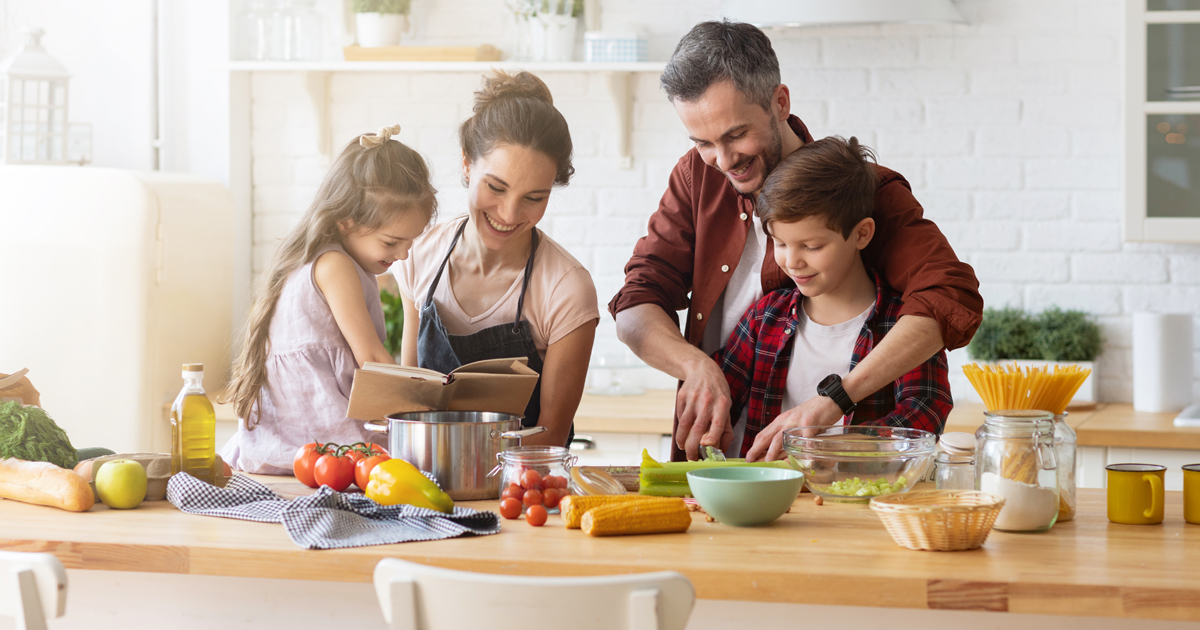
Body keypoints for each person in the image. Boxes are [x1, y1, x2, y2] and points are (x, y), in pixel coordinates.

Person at [609, 20, 982, 461]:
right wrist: (695, 366)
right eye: (703, 142)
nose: (723, 161)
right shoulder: (697, 176)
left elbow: (948, 296)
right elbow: (635, 304)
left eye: (735, 135)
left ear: (780, 102)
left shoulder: (861, 191)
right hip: (730, 467)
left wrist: (835, 403)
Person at [395, 71, 599, 448]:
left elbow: (551, 436)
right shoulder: (418, 255)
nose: (508, 214)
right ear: (467, 164)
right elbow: (411, 403)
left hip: (521, 490)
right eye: (496, 187)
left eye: (534, 198)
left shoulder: (566, 288)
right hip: (425, 484)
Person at [716, 136, 952, 458]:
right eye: (780, 243)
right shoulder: (764, 317)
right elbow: (721, 398)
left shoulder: (903, 326)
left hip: (863, 502)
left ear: (861, 234)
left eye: (812, 247)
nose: (792, 262)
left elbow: (925, 414)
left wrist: (831, 450)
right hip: (768, 502)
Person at [221, 125, 437, 474]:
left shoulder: (326, 258)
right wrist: (418, 411)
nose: (403, 254)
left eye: (410, 242)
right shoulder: (335, 265)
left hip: (293, 440)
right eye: (391, 242)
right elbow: (370, 357)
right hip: (320, 436)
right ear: (346, 222)